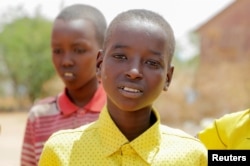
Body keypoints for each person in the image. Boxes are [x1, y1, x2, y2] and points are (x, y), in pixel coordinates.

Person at [38, 9, 207, 165]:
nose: (134, 72)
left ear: (168, 78)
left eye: (151, 62)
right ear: (99, 65)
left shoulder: (192, 156)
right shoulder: (61, 152)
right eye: (120, 56)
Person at [21, 4, 107, 166]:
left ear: (103, 54)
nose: (66, 61)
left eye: (79, 50)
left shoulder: (120, 113)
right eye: (57, 51)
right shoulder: (39, 117)